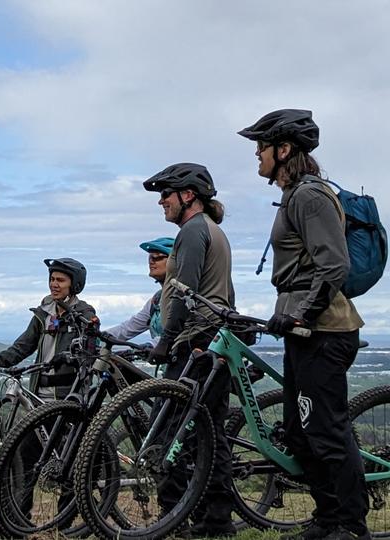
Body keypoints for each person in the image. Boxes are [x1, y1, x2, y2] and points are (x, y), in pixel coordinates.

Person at [239, 109, 369, 540]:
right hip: (304, 331)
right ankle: (328, 518)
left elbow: (333, 265)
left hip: (325, 331)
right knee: (298, 432)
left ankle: (351, 525)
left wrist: (301, 313)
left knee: (326, 431)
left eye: (261, 146)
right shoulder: (294, 195)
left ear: (284, 149)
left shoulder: (310, 196)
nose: (256, 154)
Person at [143, 163, 236, 537]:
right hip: (211, 341)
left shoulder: (194, 231)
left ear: (188, 196)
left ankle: (184, 517)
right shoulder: (212, 231)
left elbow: (185, 291)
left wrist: (167, 340)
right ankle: (213, 518)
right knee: (207, 432)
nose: (161, 202)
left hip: (196, 342)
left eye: (166, 194)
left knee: (176, 430)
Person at [0, 257, 96, 400]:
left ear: (75, 285)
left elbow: (89, 355)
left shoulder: (85, 315)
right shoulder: (43, 314)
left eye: (60, 280)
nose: (54, 284)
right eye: (52, 279)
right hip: (38, 394)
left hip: (69, 396)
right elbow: (21, 347)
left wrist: (66, 357)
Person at [104, 237, 174, 345]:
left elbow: (180, 332)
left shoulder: (184, 296)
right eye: (150, 258)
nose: (151, 262)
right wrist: (98, 338)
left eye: (158, 257)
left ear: (174, 261)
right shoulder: (156, 300)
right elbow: (129, 327)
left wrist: (151, 345)